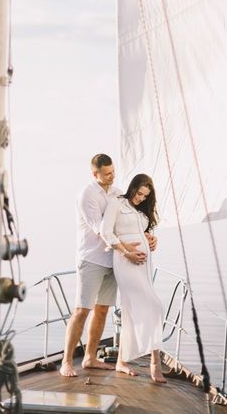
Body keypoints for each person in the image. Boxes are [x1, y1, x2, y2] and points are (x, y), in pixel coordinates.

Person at [60, 154, 155, 377]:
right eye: (108, 173)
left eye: (113, 171)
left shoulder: (116, 192)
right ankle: (66, 362)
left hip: (113, 261)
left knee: (102, 310)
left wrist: (148, 236)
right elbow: (101, 230)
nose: (112, 176)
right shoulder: (86, 195)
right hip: (92, 259)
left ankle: (90, 358)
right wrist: (127, 251)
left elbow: (131, 221)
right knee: (82, 310)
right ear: (95, 174)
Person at [100, 173, 166, 383]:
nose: (141, 198)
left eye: (145, 196)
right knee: (155, 306)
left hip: (144, 265)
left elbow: (141, 232)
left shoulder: (140, 212)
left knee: (131, 309)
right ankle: (155, 363)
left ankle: (121, 361)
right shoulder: (117, 203)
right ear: (133, 188)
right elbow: (106, 232)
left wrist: (151, 239)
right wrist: (125, 252)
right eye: (139, 194)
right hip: (126, 261)